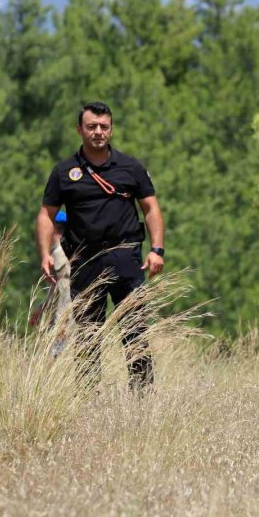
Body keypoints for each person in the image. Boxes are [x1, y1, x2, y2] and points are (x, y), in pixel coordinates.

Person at [36, 101, 165, 390]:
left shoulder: (131, 167)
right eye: (91, 126)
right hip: (85, 261)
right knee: (87, 335)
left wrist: (157, 250)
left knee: (135, 331)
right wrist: (44, 253)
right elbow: (46, 214)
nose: (98, 132)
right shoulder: (64, 171)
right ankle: (89, 400)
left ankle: (142, 398)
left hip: (126, 258)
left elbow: (151, 209)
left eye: (103, 126)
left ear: (112, 129)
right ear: (79, 129)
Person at [29, 210, 73, 357]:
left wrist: (61, 322)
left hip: (63, 325)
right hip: (60, 323)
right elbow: (56, 287)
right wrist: (43, 308)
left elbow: (65, 292)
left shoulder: (61, 254)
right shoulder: (59, 252)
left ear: (52, 228)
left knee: (57, 360)